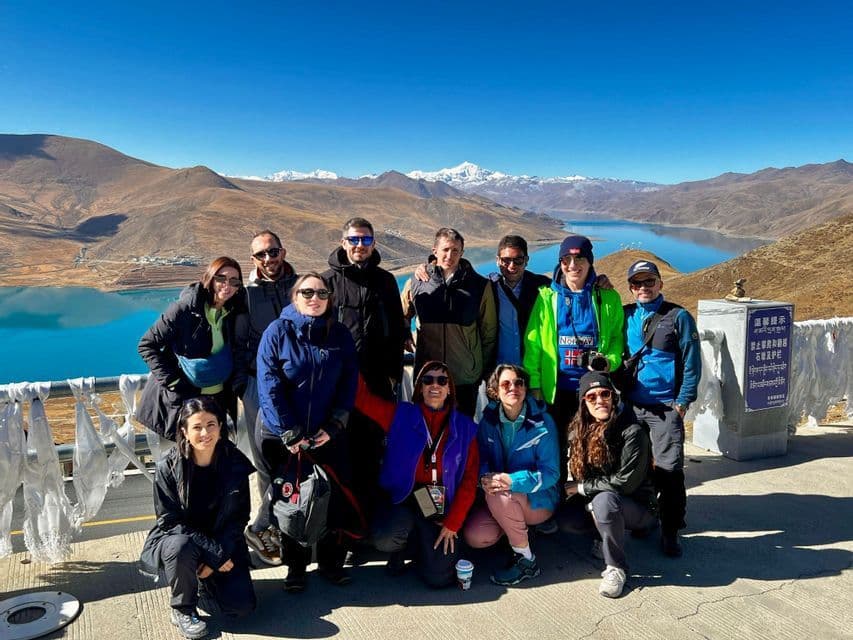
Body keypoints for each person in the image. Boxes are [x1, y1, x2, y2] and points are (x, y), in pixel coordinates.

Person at [256, 272, 359, 591]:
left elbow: (348, 383)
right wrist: (291, 433)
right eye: (307, 292)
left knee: (332, 499)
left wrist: (335, 425)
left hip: (327, 436)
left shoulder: (339, 334)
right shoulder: (277, 332)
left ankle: (331, 564)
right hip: (283, 438)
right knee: (292, 501)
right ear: (294, 297)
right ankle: (296, 569)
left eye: (322, 293)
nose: (315, 298)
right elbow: (269, 385)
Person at [355, 361, 480, 588]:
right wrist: (348, 361)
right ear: (420, 388)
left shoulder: (465, 427)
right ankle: (401, 549)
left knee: (439, 578)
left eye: (442, 381)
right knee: (386, 536)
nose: (435, 385)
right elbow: (363, 401)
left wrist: (453, 523)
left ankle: (421, 549)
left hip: (437, 501)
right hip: (405, 496)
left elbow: (471, 480)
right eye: (427, 380)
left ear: (450, 388)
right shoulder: (401, 414)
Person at [140, 397, 256, 639]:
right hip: (183, 540)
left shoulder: (235, 463)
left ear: (220, 427)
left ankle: (205, 580)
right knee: (181, 546)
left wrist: (217, 557)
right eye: (197, 427)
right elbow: (169, 521)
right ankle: (183, 608)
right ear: (184, 431)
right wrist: (215, 555)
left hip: (221, 538)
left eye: (211, 424)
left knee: (242, 607)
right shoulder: (167, 467)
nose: (205, 433)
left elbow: (239, 517)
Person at [323, 217, 406, 526]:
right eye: (354, 240)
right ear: (344, 242)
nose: (360, 246)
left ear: (374, 244)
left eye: (366, 240)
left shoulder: (385, 281)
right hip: (338, 386)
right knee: (339, 454)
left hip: (376, 383)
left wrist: (394, 375)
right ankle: (343, 528)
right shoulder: (326, 282)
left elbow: (397, 329)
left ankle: (369, 523)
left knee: (373, 453)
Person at [523, 235, 624, 483]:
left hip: (592, 391)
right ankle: (555, 503)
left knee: (592, 450)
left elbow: (616, 341)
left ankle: (588, 504)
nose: (572, 265)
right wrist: (535, 385)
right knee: (554, 451)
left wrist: (609, 361)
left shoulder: (608, 298)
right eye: (566, 259)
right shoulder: (547, 298)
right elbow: (533, 344)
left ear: (590, 262)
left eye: (579, 258)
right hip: (556, 391)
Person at [622, 259, 701, 557]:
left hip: (665, 408)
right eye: (637, 283)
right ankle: (643, 517)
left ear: (660, 284)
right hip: (632, 406)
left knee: (669, 470)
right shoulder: (625, 315)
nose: (643, 288)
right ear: (630, 288)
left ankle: (670, 528)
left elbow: (692, 364)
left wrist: (682, 404)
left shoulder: (678, 317)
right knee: (637, 467)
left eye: (649, 282)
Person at [561, 372, 658, 599]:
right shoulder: (579, 431)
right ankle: (603, 534)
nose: (599, 400)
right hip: (604, 498)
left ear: (614, 397)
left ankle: (616, 568)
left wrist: (582, 488)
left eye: (605, 394)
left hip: (638, 505)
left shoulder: (632, 431)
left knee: (603, 502)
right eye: (591, 397)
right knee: (564, 518)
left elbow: (625, 483)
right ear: (583, 403)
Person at [233, 230, 298, 566]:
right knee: (265, 460)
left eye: (273, 252)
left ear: (282, 251)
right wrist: (246, 385)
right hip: (259, 387)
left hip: (296, 386)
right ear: (253, 259)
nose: (269, 259)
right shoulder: (245, 295)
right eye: (261, 255)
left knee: (297, 454)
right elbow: (239, 341)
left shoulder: (301, 286)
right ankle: (267, 525)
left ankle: (284, 524)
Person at [463, 364, 559, 585]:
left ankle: (526, 561)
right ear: (495, 390)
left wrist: (513, 481)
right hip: (502, 498)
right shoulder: (488, 420)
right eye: (505, 383)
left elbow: (551, 474)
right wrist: (483, 477)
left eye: (519, 383)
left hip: (539, 500)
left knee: (499, 494)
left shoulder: (543, 423)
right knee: (476, 536)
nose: (513, 388)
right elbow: (481, 459)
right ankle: (517, 534)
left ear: (525, 388)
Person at [138, 257, 246, 442]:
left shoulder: (234, 311)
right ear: (210, 278)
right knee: (189, 459)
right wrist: (174, 382)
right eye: (221, 278)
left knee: (216, 457)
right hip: (187, 400)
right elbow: (147, 345)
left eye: (234, 281)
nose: (227, 285)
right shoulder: (185, 309)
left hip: (219, 400)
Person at [401, 228, 497, 416]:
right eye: (445, 250)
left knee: (460, 432)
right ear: (434, 250)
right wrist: (405, 331)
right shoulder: (417, 281)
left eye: (455, 250)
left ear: (462, 252)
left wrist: (479, 369)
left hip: (464, 377)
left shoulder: (479, 285)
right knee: (427, 431)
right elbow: (402, 313)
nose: (449, 255)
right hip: (428, 375)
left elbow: (489, 331)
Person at [490, 235, 552, 367]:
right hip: (498, 371)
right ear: (497, 260)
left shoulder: (542, 287)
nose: (511, 266)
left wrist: (596, 281)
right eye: (506, 260)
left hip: (532, 369)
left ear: (526, 260)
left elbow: (571, 286)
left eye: (518, 260)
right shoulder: (488, 288)